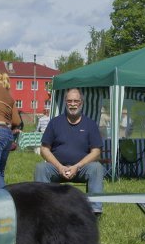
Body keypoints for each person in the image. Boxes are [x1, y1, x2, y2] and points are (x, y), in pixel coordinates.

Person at [34, 88, 104, 216]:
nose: (72, 104)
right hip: (57, 167)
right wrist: (59, 166)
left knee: (97, 168)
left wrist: (77, 166)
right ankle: (42, 209)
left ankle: (95, 211)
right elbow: (44, 149)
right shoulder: (55, 123)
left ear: (81, 103)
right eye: (69, 101)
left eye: (76, 101)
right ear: (65, 103)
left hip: (82, 168)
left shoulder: (90, 124)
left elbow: (96, 151)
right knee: (41, 167)